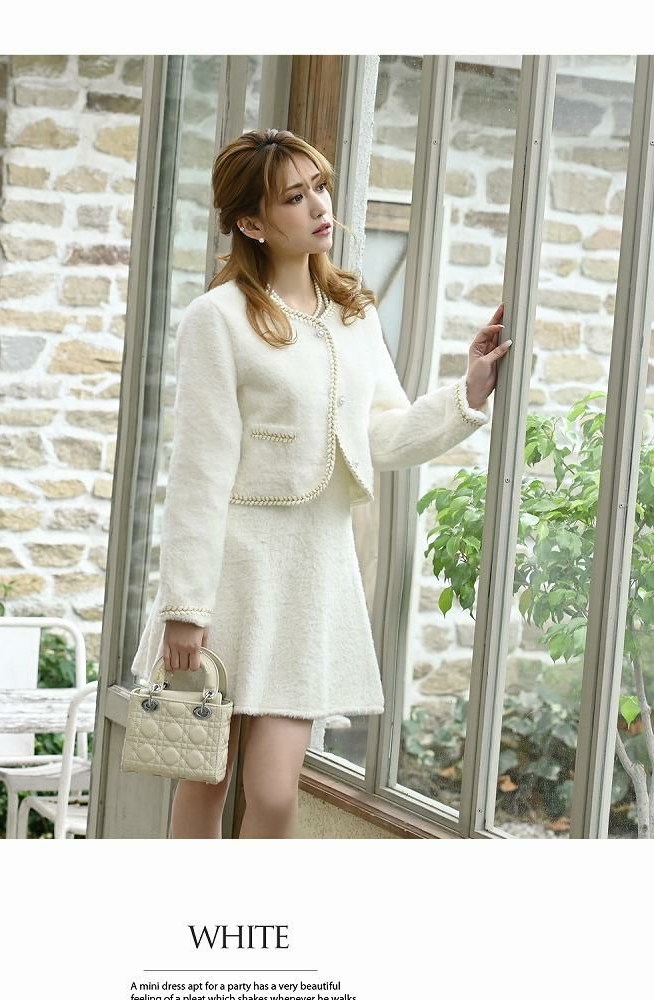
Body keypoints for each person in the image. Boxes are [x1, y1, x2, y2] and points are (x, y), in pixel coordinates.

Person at [131, 128, 511, 840]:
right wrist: (185, 605)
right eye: (294, 197)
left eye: (321, 188)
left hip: (312, 578)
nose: (319, 206)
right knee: (205, 775)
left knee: (275, 792)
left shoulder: (353, 314)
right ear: (251, 222)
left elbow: (382, 436)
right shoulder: (217, 318)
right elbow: (199, 472)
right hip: (231, 574)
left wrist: (468, 392)